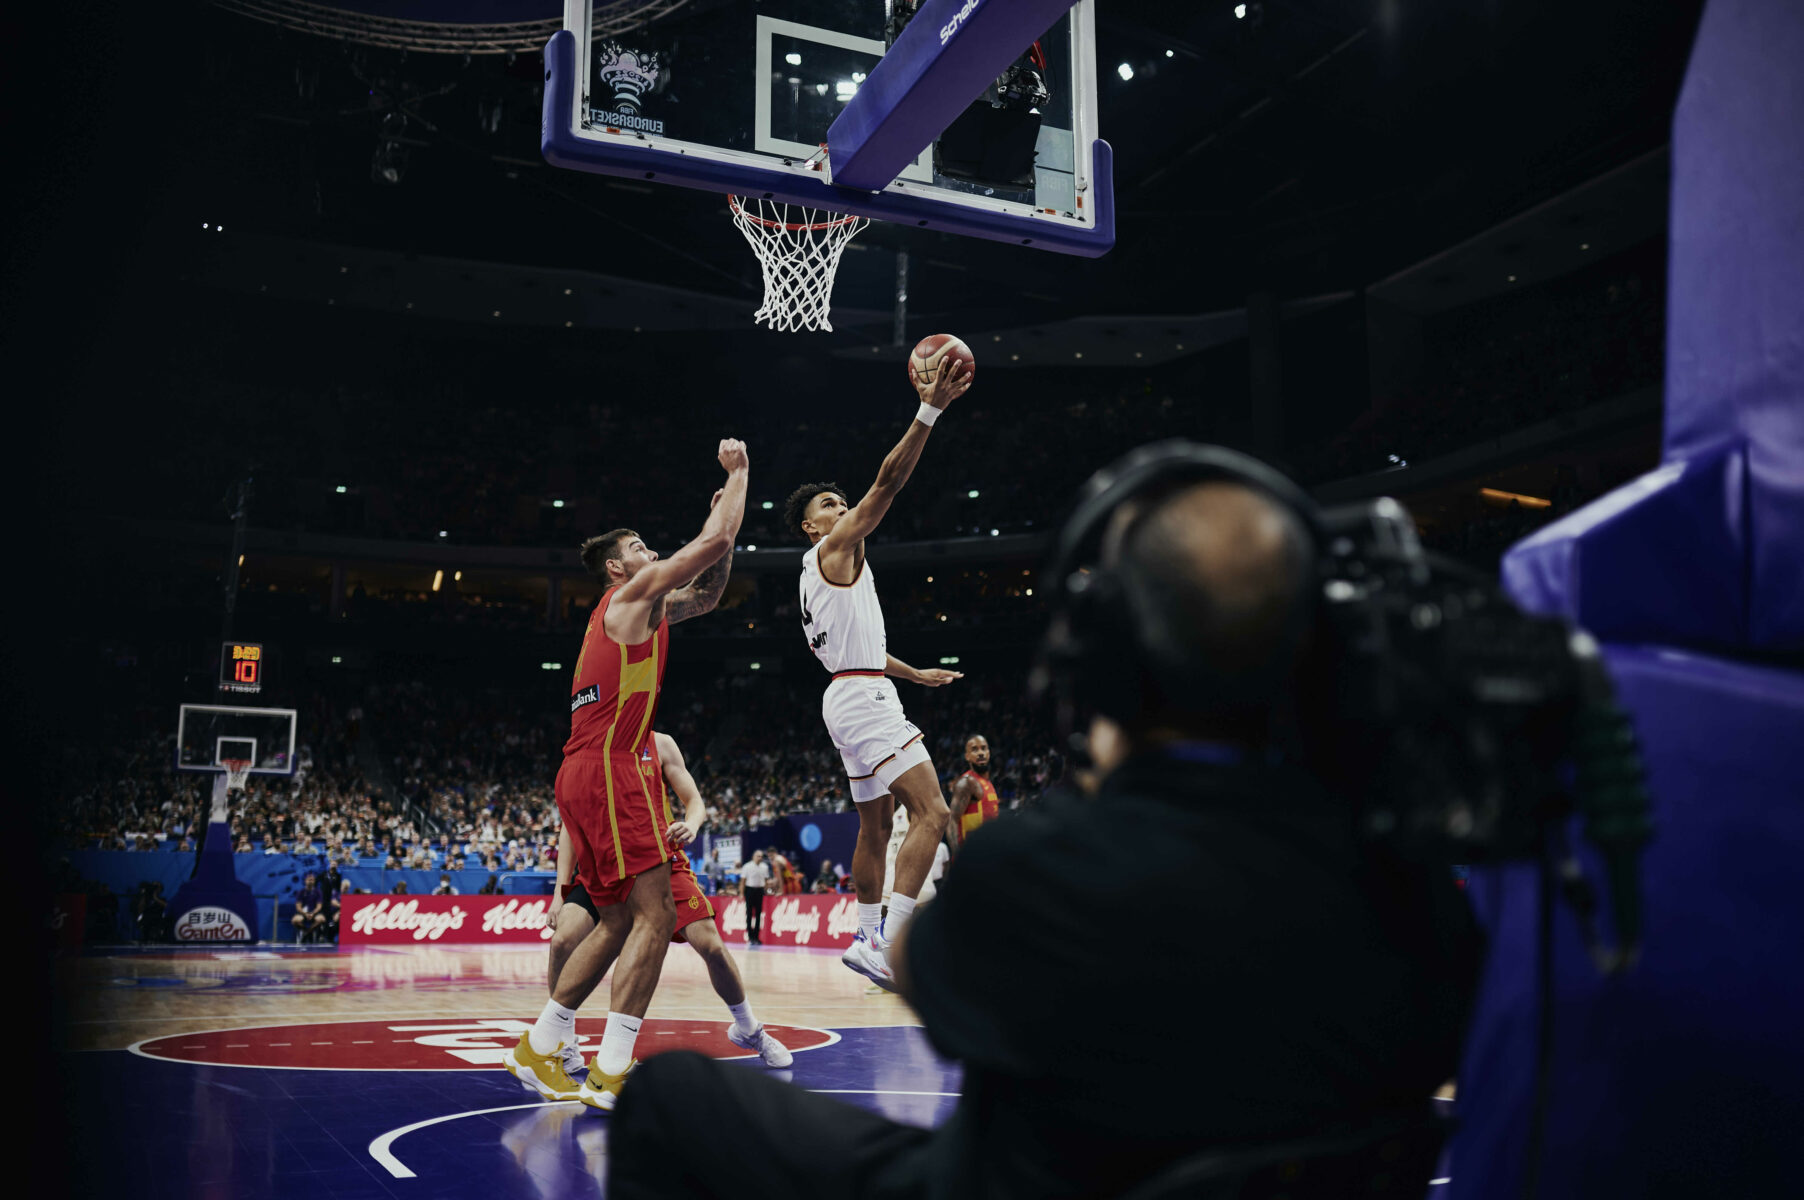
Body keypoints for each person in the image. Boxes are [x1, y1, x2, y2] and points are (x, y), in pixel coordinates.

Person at [607, 445, 1481, 1199]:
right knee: (922, 816)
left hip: (1039, 1178)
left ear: (1093, 678)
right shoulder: (1404, 891)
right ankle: (873, 930)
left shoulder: (1042, 861)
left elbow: (947, 1004)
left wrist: (926, 422)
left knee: (675, 1095)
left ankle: (876, 931)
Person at [504, 437, 750, 1113]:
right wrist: (738, 476)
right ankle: (610, 1071)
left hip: (583, 772)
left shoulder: (646, 610)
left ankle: (540, 1047)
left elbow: (708, 592)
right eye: (639, 546)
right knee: (656, 915)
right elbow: (711, 540)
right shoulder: (630, 595)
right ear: (617, 567)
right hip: (611, 771)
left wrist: (724, 537)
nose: (650, 551)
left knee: (614, 923)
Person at [782, 354, 973, 989]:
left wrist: (914, 675)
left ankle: (865, 935)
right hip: (863, 698)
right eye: (830, 504)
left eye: (843, 502)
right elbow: (888, 483)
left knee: (876, 823)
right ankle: (891, 940)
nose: (843, 507)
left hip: (847, 691)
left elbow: (856, 651)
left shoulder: (813, 578)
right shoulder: (834, 547)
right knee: (933, 813)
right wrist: (929, 411)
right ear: (812, 526)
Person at [523, 731, 791, 1096]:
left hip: (659, 862)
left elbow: (694, 801)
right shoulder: (593, 746)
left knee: (712, 947)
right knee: (563, 941)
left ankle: (749, 1028)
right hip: (603, 866)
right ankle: (563, 1042)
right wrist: (560, 890)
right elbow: (570, 828)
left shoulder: (660, 744)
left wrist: (691, 825)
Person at [946, 734, 1002, 853]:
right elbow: (952, 820)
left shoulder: (987, 783)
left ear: (989, 753)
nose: (980, 753)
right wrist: (958, 856)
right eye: (974, 749)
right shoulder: (967, 782)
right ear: (967, 756)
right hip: (971, 855)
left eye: (984, 748)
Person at [737, 851, 770, 945]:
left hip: (759, 891)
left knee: (759, 914)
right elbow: (743, 881)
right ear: (753, 856)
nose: (760, 858)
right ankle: (750, 936)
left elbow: (766, 880)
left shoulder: (765, 867)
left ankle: (756, 936)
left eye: (761, 856)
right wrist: (741, 893)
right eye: (758, 856)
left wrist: (766, 890)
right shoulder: (747, 866)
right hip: (749, 890)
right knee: (749, 913)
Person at [291, 873, 325, 943]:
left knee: (322, 919)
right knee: (294, 920)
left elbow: (319, 906)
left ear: (314, 881)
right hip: (303, 913)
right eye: (309, 880)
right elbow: (298, 907)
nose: (310, 881)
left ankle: (307, 932)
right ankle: (306, 931)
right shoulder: (301, 892)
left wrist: (312, 913)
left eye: (312, 880)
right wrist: (305, 914)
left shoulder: (318, 892)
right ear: (305, 881)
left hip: (314, 912)